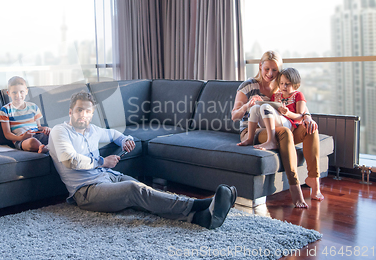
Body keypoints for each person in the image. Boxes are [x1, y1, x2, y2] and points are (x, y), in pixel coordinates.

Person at [48, 91, 237, 229]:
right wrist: (102, 162)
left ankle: (200, 217)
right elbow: (69, 160)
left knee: (146, 193)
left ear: (92, 113)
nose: (83, 115)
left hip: (109, 177)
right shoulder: (60, 131)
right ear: (71, 111)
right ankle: (197, 204)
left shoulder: (92, 130)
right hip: (86, 191)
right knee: (134, 190)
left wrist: (125, 139)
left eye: (88, 112)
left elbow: (113, 133)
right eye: (79, 110)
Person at [231, 51, 324, 208]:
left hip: (283, 124)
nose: (270, 74)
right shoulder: (248, 85)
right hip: (254, 130)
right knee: (284, 132)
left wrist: (307, 116)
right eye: (267, 69)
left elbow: (297, 102)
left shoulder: (280, 84)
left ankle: (313, 181)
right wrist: (248, 105)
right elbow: (234, 115)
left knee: (311, 128)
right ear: (260, 66)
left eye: (274, 70)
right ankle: (295, 189)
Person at [238, 67, 307, 151]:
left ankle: (271, 141)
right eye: (281, 83)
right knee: (255, 107)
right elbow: (270, 111)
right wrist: (261, 102)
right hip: (272, 123)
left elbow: (300, 116)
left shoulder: (298, 95)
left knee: (265, 107)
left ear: (295, 84)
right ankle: (250, 139)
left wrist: (288, 113)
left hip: (288, 124)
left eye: (287, 84)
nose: (283, 86)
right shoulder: (276, 95)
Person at [0, 76, 50, 153]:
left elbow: (38, 127)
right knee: (32, 142)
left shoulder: (33, 107)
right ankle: (44, 148)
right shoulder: (5, 110)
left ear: (26, 91)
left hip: (37, 135)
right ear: (8, 93)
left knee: (54, 131)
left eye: (21, 92)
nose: (18, 95)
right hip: (22, 140)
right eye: (14, 92)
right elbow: (7, 134)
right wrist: (21, 138)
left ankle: (44, 147)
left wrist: (45, 128)